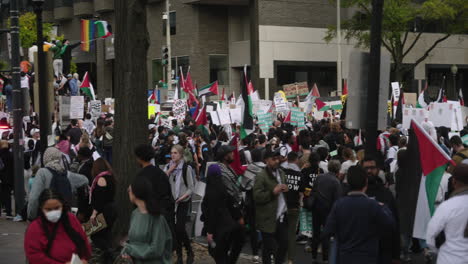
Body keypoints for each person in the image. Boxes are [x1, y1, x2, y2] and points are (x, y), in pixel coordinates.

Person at [323, 166, 396, 264]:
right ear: (366, 183)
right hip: (368, 256)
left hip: (345, 256)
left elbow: (328, 231)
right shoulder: (373, 205)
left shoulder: (339, 204)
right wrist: (384, 208)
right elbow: (390, 225)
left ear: (348, 183)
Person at [24, 189, 92, 264]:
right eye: (48, 209)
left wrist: (84, 259)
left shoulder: (71, 219)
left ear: (62, 205)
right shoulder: (35, 228)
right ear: (41, 208)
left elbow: (83, 241)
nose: (53, 212)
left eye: (57, 208)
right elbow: (35, 257)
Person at [27, 147, 89, 220]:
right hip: (63, 218)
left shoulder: (42, 172)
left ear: (45, 157)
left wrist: (31, 215)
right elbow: (85, 180)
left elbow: (34, 198)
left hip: (46, 217)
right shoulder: (66, 174)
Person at [122, 176, 173, 264]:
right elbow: (133, 240)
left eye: (129, 190)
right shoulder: (135, 213)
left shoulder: (157, 218)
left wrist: (130, 249)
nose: (128, 192)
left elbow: (156, 249)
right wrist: (126, 251)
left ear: (137, 192)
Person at [203, 164, 245, 264]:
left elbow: (211, 213)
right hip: (229, 227)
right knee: (224, 253)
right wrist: (239, 217)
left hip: (218, 230)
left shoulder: (210, 191)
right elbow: (231, 204)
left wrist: (209, 232)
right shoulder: (223, 188)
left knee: (217, 254)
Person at [426, 163, 468, 264]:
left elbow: (430, 236)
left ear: (454, 181)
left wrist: (439, 250)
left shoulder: (447, 206)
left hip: (449, 258)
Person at [253, 148, 289, 264]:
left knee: (283, 245)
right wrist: (272, 193)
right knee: (272, 248)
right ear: (266, 160)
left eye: (277, 158)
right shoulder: (261, 176)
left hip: (281, 217)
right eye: (273, 159)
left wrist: (286, 189)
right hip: (267, 218)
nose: (277, 161)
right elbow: (257, 196)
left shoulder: (282, 172)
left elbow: (284, 187)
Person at [134, 144, 175, 240]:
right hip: (162, 214)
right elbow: (168, 194)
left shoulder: (140, 176)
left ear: (139, 158)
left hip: (146, 216)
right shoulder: (161, 173)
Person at [164, 145, 195, 264]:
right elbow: (161, 180)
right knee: (174, 231)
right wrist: (169, 171)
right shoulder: (168, 167)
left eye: (175, 153)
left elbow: (191, 188)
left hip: (182, 202)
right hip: (171, 203)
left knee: (180, 228)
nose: (173, 155)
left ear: (181, 155)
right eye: (172, 153)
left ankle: (189, 251)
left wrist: (182, 197)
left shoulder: (186, 168)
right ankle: (179, 256)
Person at [310, 159, 342, 263]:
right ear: (338, 169)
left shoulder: (319, 177)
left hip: (316, 208)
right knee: (326, 235)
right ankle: (325, 258)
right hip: (328, 211)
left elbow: (313, 191)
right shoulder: (336, 182)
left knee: (315, 233)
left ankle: (313, 257)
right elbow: (337, 200)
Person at [282, 152, 304, 264]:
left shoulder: (282, 172)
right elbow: (301, 193)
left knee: (280, 232)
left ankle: (277, 256)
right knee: (291, 234)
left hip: (282, 207)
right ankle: (290, 260)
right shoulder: (300, 175)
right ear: (296, 160)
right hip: (294, 207)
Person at [0, 140, 13, 218]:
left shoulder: (0, 155)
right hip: (9, 178)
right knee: (8, 195)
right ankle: (8, 212)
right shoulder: (11, 155)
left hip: (1, 178)